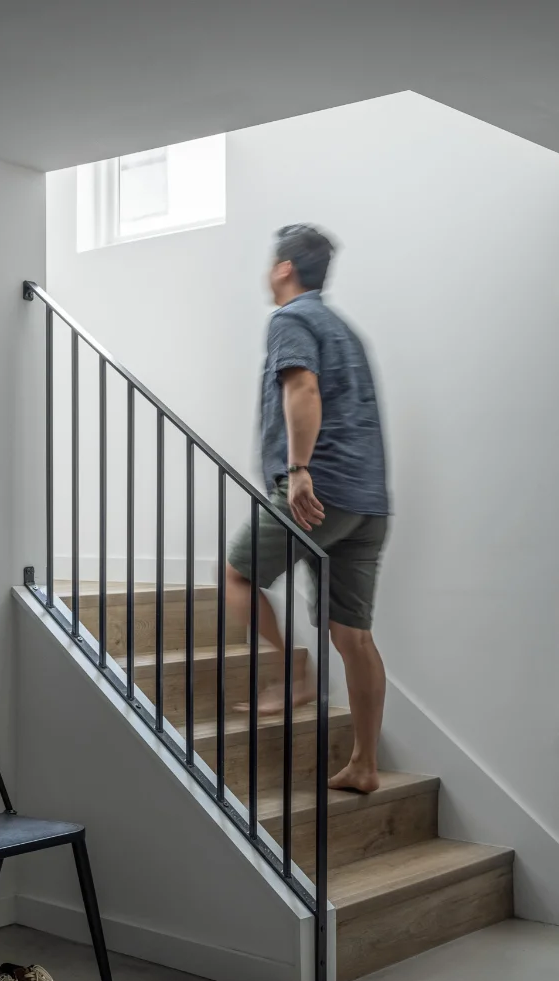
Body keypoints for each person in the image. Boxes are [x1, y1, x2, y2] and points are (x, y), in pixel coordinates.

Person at [226, 225, 389, 793]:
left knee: (237, 574)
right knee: (354, 637)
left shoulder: (292, 319)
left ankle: (293, 670)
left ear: (284, 269)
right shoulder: (343, 328)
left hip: (320, 491)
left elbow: (303, 389)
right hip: (368, 501)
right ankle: (365, 765)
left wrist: (298, 471)